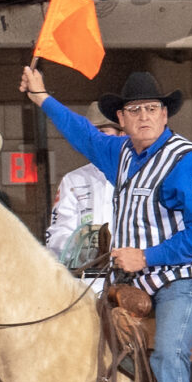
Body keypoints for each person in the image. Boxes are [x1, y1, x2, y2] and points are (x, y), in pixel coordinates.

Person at [20, 64, 192, 382]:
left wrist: (146, 256)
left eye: (153, 108)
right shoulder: (122, 153)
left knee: (168, 354)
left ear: (165, 116)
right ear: (123, 121)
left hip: (183, 280)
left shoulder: (189, 161)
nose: (145, 117)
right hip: (133, 281)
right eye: (135, 111)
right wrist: (41, 97)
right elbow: (81, 133)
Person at [43, 110, 121, 268]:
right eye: (91, 134)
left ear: (121, 135)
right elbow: (56, 236)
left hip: (132, 276)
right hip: (85, 278)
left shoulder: (138, 176)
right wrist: (84, 245)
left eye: (103, 132)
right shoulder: (73, 180)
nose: (96, 139)